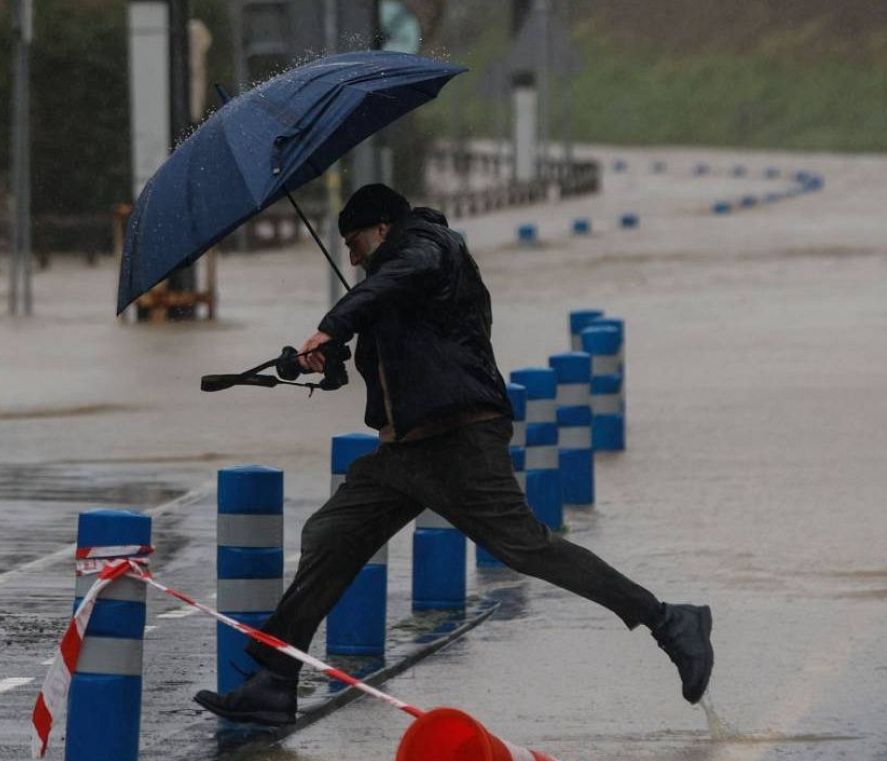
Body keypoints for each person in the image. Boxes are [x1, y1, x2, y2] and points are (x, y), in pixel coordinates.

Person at [194, 184, 714, 726]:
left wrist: (333, 323)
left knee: (526, 548)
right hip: (402, 453)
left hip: (458, 440)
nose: (351, 257)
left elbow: (403, 276)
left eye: (354, 243)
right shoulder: (385, 284)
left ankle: (668, 621)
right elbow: (377, 367)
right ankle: (275, 682)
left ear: (383, 229)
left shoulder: (432, 248)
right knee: (329, 535)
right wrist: (320, 363)